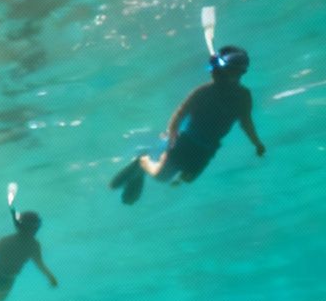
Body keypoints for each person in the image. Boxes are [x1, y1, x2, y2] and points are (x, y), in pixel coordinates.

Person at [109, 45, 266, 205]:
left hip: (208, 148)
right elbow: (181, 112)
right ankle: (142, 161)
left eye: (221, 72)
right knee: (161, 177)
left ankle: (159, 167)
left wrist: (257, 143)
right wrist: (172, 132)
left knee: (188, 178)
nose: (214, 74)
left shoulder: (243, 97)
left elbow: (246, 122)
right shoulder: (204, 91)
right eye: (215, 71)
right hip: (187, 141)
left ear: (238, 74)